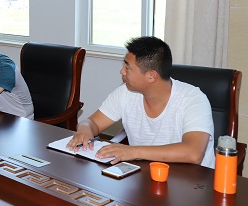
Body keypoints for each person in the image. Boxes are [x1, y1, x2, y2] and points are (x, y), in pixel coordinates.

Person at [67, 36, 215, 168]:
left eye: (127, 67)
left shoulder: (193, 100)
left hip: (194, 181)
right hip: (146, 174)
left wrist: (133, 152)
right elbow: (92, 123)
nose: (122, 71)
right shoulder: (125, 93)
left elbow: (193, 153)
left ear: (151, 76)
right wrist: (84, 130)